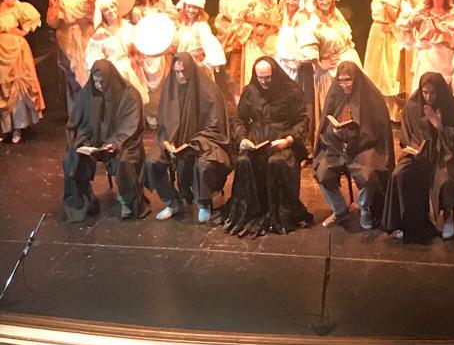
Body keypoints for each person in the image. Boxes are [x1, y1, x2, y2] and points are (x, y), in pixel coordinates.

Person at [224, 57, 312, 237]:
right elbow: (239, 119)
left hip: (283, 140)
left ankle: (279, 214)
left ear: (275, 74)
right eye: (260, 77)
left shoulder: (291, 91)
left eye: (267, 77)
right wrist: (242, 138)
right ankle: (251, 212)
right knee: (243, 161)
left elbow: (302, 119)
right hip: (256, 140)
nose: (264, 81)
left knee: (276, 162)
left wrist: (288, 140)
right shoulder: (250, 91)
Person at [382, 72, 454, 243]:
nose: (428, 97)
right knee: (400, 174)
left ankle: (448, 218)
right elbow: (407, 134)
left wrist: (439, 125)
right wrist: (414, 147)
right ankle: (407, 223)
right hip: (419, 154)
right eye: (425, 92)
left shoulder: (451, 107)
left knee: (445, 179)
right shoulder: (413, 105)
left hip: (445, 155)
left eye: (433, 93)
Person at [144, 52, 231, 222]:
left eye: (183, 71)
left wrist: (193, 143)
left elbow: (215, 125)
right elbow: (164, 121)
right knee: (152, 162)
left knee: (204, 163)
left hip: (204, 141)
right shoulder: (170, 88)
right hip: (174, 141)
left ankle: (204, 202)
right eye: (177, 72)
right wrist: (167, 141)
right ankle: (172, 201)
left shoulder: (208, 90)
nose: (180, 76)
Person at [313, 61, 395, 229]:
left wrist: (354, 135)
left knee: (367, 173)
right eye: (341, 80)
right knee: (322, 171)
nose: (344, 84)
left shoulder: (371, 98)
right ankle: (339, 210)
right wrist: (334, 133)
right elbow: (325, 126)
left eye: (348, 80)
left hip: (364, 146)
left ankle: (364, 207)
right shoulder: (335, 96)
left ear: (356, 79)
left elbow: (377, 131)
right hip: (338, 147)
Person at [63, 60, 147, 221]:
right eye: (95, 81)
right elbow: (77, 121)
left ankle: (130, 201)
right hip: (94, 139)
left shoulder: (129, 94)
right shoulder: (88, 92)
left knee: (124, 160)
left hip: (122, 142)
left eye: (102, 82)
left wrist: (115, 143)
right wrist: (81, 141)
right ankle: (82, 201)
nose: (99, 85)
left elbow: (131, 125)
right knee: (73, 157)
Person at [396, 0, 454, 95]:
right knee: (427, 88)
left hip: (448, 56)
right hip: (428, 55)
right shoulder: (422, 12)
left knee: (446, 92)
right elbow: (403, 25)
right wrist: (414, 42)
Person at [302, 0, 362, 114]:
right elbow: (308, 48)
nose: (324, 2)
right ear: (316, 1)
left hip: (350, 61)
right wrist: (320, 63)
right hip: (332, 70)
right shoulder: (313, 22)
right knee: (336, 107)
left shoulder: (337, 15)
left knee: (354, 103)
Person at [129, 0, 177, 127]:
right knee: (144, 83)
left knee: (163, 83)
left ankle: (164, 116)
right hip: (142, 48)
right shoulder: (133, 2)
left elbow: (174, 19)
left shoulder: (162, 0)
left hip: (160, 47)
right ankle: (150, 117)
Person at [46, 0, 95, 114]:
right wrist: (52, 4)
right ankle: (76, 115)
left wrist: (91, 12)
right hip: (67, 41)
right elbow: (52, 23)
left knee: (89, 76)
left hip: (86, 40)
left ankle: (92, 114)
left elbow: (95, 17)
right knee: (72, 79)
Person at [85, 0, 149, 104]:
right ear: (102, 14)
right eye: (106, 10)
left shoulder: (128, 27)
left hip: (132, 70)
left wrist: (137, 55)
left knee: (135, 103)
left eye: (112, 6)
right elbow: (94, 61)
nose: (111, 11)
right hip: (114, 75)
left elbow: (139, 47)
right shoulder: (100, 34)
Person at [0, 0, 45, 143]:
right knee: (3, 90)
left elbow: (32, 15)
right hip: (1, 52)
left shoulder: (10, 4)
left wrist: (23, 31)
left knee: (17, 87)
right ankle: (5, 128)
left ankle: (17, 128)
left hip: (16, 49)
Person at [275, 0, 316, 143]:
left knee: (302, 105)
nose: (291, 2)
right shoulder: (286, 17)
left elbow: (307, 46)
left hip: (299, 68)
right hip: (284, 66)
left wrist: (298, 60)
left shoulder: (305, 19)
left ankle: (303, 141)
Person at [363, 0, 404, 122]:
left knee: (389, 74)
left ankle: (394, 114)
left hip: (390, 35)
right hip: (376, 32)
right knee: (375, 73)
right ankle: (377, 110)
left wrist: (393, 26)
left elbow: (401, 15)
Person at [213, 0, 253, 101]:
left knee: (236, 74)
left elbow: (248, 14)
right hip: (223, 36)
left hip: (237, 36)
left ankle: (241, 104)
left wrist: (239, 34)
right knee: (225, 75)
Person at [233, 0, 281, 88]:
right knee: (255, 74)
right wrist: (253, 30)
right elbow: (237, 20)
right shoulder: (248, 1)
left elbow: (278, 23)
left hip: (271, 46)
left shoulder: (272, 2)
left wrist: (270, 32)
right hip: (254, 45)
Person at [174, 0, 226, 77]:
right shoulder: (183, 26)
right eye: (189, 6)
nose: (191, 10)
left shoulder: (201, 26)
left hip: (195, 69)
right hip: (181, 68)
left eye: (195, 8)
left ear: (199, 10)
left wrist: (202, 64)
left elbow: (212, 47)